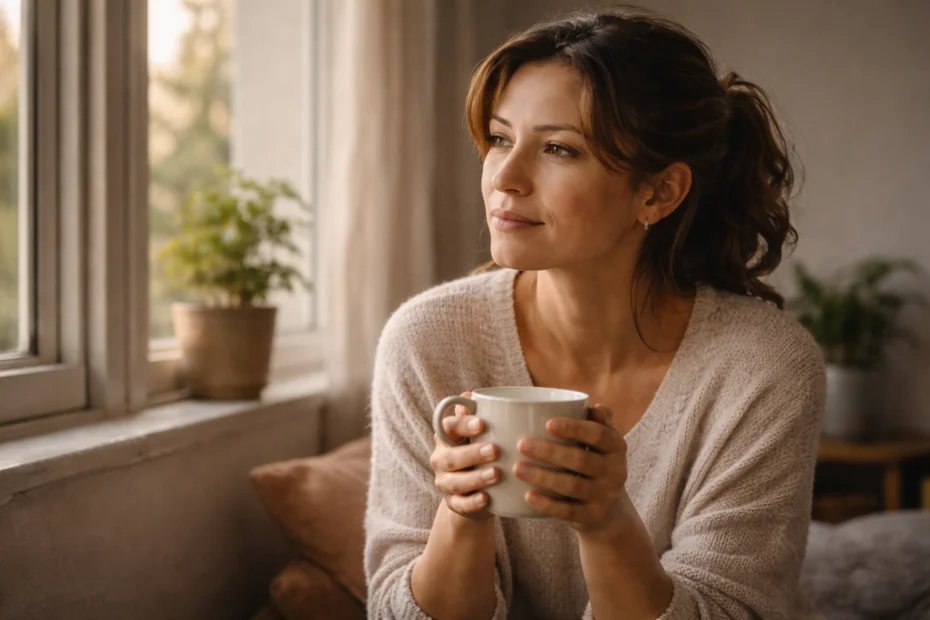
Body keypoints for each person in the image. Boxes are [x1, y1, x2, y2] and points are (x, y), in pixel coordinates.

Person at [364, 7, 825, 620]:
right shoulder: (425, 341)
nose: (505, 178)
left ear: (658, 192)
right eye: (500, 139)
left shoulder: (764, 367)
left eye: (558, 148)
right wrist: (462, 511)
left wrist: (607, 524)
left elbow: (731, 610)